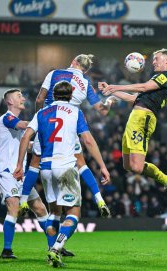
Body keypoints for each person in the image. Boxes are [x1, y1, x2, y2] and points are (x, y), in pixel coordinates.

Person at [14, 81, 108, 267]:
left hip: (46, 169)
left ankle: (51, 248)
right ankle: (57, 248)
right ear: (72, 93)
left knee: (54, 212)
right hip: (65, 166)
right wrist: (102, 165)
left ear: (53, 95)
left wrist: (19, 165)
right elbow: (87, 140)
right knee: (73, 212)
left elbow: (25, 136)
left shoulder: (41, 113)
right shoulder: (75, 112)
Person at [20, 54, 115, 220]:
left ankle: (22, 201)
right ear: (85, 69)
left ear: (74, 62)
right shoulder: (85, 83)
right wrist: (110, 101)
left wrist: (39, 118)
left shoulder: (54, 74)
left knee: (36, 162)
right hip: (71, 124)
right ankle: (99, 198)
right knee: (81, 162)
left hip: (48, 122)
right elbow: (103, 110)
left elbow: (40, 98)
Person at [98, 48, 167, 204]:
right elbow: (132, 98)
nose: (153, 62)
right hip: (134, 117)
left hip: (143, 118)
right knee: (128, 165)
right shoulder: (156, 80)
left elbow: (143, 87)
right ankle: (166, 180)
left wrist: (116, 86)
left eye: (156, 59)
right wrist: (111, 90)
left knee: (136, 167)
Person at [0, 89, 51, 259]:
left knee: (40, 208)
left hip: (20, 174)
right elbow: (23, 125)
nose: (23, 98)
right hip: (5, 172)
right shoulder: (7, 118)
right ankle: (6, 250)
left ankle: (54, 247)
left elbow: (26, 143)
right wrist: (44, 119)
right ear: (9, 101)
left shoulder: (16, 123)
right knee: (14, 206)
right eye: (19, 96)